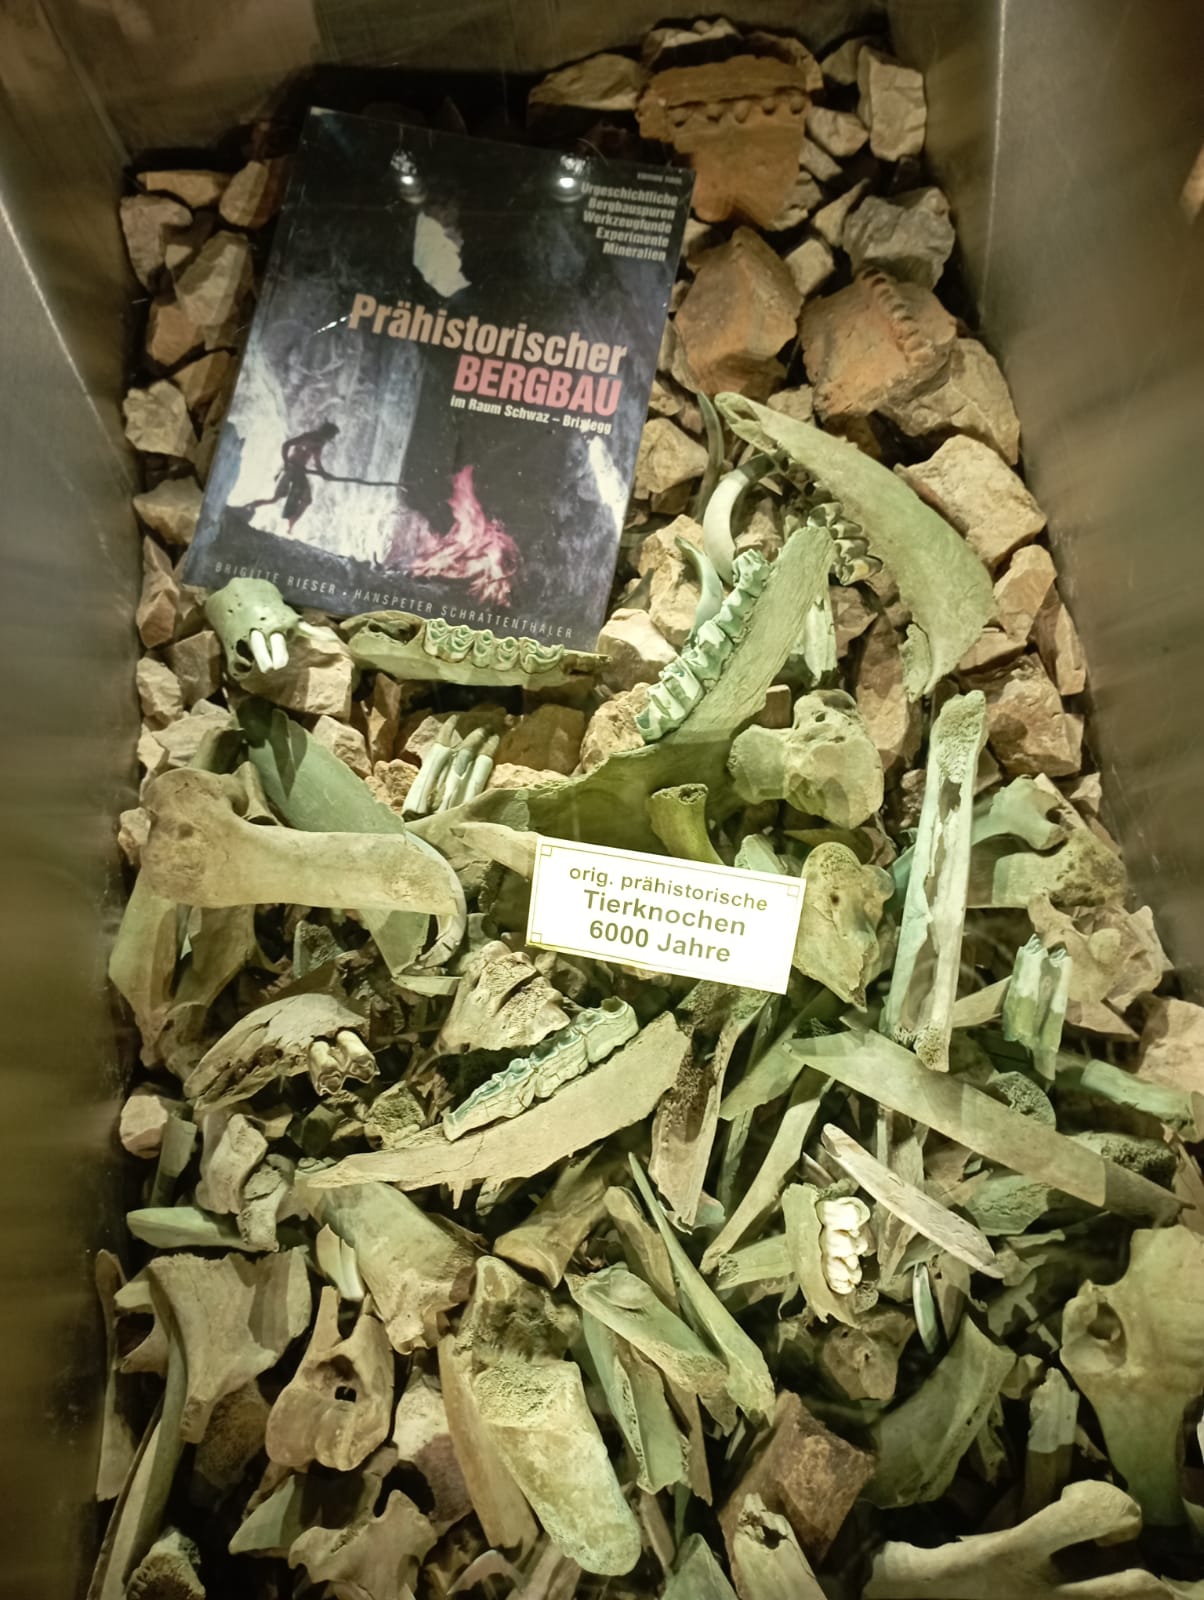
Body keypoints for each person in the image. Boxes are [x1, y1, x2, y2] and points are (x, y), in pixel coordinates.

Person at [243, 420, 340, 530]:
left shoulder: (320, 444)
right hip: (290, 468)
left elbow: (317, 463)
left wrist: (324, 474)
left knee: (307, 500)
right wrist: (285, 463)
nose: (326, 440)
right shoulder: (307, 437)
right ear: (324, 433)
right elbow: (286, 445)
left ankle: (291, 525)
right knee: (275, 499)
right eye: (329, 437)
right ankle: (251, 506)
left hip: (300, 472)